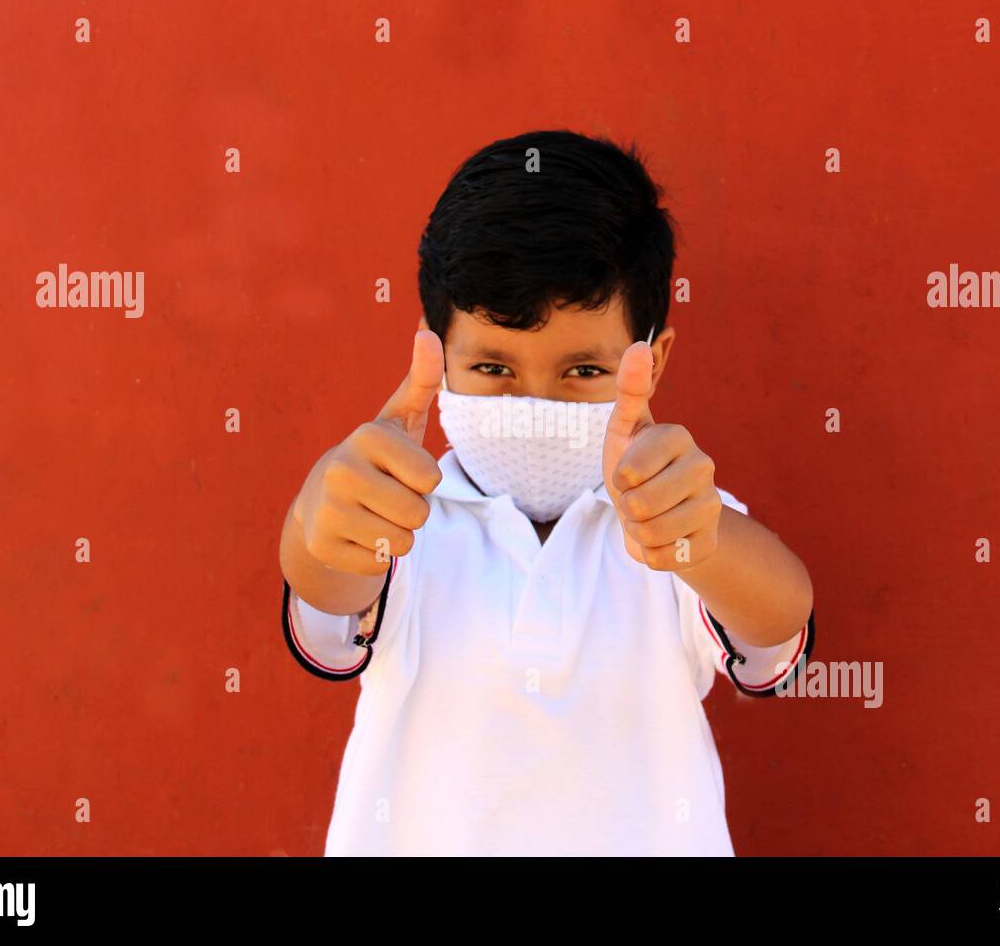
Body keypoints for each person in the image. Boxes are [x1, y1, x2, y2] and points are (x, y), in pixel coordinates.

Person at [278, 129, 815, 855]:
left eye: (583, 372)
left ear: (651, 362)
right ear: (433, 354)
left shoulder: (675, 516)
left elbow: (777, 633)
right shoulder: (399, 517)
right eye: (494, 369)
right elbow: (324, 596)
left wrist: (702, 539)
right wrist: (320, 510)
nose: (537, 403)